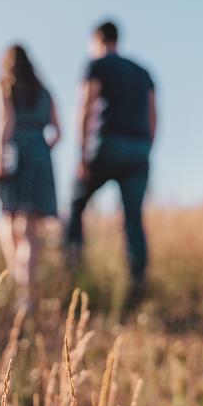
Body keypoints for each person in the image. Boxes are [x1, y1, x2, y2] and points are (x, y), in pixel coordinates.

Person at [65, 21, 157, 305]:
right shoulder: (143, 72)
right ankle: (137, 285)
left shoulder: (97, 64)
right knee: (133, 218)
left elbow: (86, 106)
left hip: (108, 145)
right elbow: (154, 115)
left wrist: (82, 154)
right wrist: (146, 149)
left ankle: (74, 274)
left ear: (98, 40)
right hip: (139, 148)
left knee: (76, 205)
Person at [0, 45, 61, 311]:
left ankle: (19, 282)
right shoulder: (45, 92)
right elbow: (58, 131)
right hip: (40, 154)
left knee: (8, 218)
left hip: (14, 152)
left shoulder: (2, 85)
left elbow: (4, 120)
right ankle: (27, 295)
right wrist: (41, 153)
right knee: (30, 230)